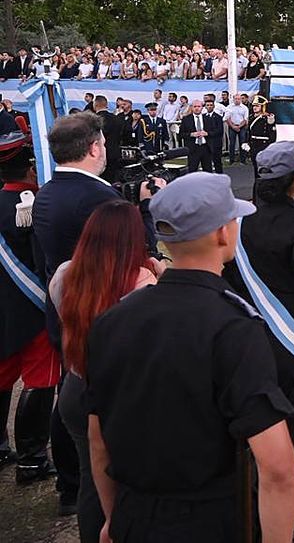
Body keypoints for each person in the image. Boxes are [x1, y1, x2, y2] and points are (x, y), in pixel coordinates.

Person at [84, 172, 294, 542]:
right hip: (210, 521)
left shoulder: (111, 322)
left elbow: (98, 439)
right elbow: (278, 468)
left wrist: (113, 517)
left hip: (134, 514)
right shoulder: (233, 328)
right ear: (222, 233)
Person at [224, 143, 294, 543]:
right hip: (288, 351)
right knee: (284, 445)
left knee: (243, 437)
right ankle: (275, 527)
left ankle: (244, 518)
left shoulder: (239, 222)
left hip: (240, 344)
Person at [51, 200, 160, 543]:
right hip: (120, 395)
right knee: (129, 477)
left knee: (91, 477)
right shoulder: (142, 282)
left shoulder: (66, 274)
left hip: (76, 384)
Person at [0, 145, 58, 489]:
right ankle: (31, 459)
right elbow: (43, 262)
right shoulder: (32, 206)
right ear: (29, 169)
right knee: (39, 382)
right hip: (32, 308)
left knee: (3, 377)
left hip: (4, 309)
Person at [181, 99, 215, 173]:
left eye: (199, 106)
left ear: (202, 107)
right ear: (192, 108)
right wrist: (191, 134)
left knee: (208, 170)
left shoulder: (208, 119)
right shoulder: (186, 119)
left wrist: (207, 133)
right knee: (192, 170)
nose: (197, 108)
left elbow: (215, 132)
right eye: (195, 106)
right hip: (193, 148)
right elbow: (181, 134)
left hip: (206, 147)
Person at [246, 95, 277, 174]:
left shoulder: (267, 118)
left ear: (263, 107)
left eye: (257, 106)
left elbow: (272, 135)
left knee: (264, 168)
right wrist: (247, 142)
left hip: (263, 145)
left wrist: (270, 147)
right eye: (254, 106)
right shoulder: (251, 117)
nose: (254, 108)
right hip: (253, 144)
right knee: (255, 168)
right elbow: (249, 132)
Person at [224, 92, 250, 164]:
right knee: (232, 144)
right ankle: (231, 160)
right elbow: (227, 118)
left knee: (243, 143)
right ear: (233, 99)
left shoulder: (245, 108)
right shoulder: (229, 107)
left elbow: (245, 119)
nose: (237, 100)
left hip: (242, 127)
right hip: (232, 126)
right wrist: (233, 126)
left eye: (239, 99)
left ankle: (243, 160)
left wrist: (239, 126)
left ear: (241, 100)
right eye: (235, 99)